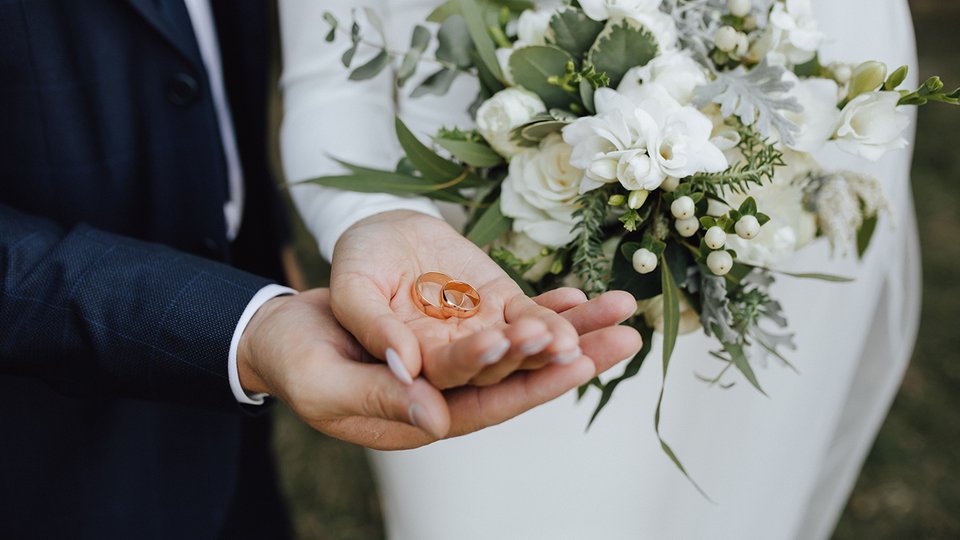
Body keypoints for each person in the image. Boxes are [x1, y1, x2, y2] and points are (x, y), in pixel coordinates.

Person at [278, 0, 921, 538]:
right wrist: (370, 218)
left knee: (720, 498)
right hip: (466, 269)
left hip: (749, 230)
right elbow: (331, 80)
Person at [0, 1, 643, 538]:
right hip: (50, 437)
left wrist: (261, 238)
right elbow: (333, 69)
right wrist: (241, 324)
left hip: (234, 366)